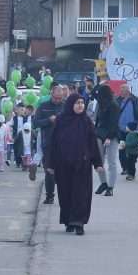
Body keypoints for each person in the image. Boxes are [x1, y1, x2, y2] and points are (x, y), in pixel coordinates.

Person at [47, 96, 103, 235]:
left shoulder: (86, 121)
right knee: (65, 193)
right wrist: (50, 164)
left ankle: (79, 222)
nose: (80, 105)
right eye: (77, 103)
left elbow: (92, 143)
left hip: (82, 164)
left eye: (82, 103)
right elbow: (53, 143)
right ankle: (68, 221)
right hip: (63, 164)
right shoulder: (61, 120)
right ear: (71, 104)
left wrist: (97, 163)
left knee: (81, 194)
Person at [33, 84, 65, 204]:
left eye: (60, 98)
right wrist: (48, 120)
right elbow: (35, 123)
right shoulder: (43, 106)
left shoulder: (66, 106)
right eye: (56, 98)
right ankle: (49, 196)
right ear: (51, 94)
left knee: (63, 172)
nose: (57, 100)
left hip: (63, 144)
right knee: (49, 171)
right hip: (48, 144)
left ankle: (64, 196)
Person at [92, 84, 119, 197]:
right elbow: (93, 93)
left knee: (112, 162)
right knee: (99, 161)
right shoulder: (101, 103)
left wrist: (109, 137)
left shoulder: (113, 105)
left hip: (111, 135)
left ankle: (110, 187)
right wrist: (100, 83)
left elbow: (114, 123)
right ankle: (103, 183)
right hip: (99, 134)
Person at [116, 84, 138, 175]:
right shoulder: (118, 100)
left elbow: (137, 113)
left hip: (131, 129)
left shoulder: (134, 100)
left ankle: (130, 167)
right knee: (121, 149)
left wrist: (136, 127)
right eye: (120, 89)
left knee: (131, 149)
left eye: (123, 89)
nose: (121, 91)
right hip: (121, 129)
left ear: (128, 90)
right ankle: (124, 168)